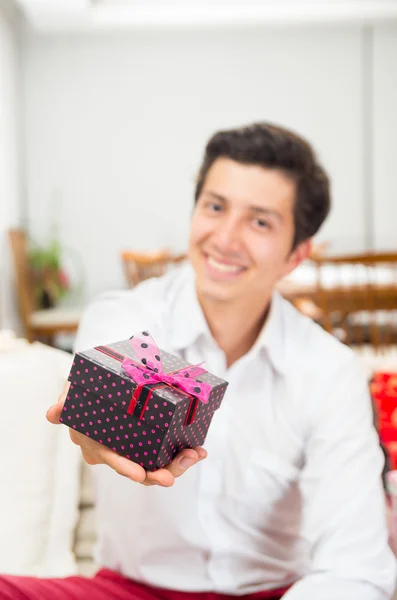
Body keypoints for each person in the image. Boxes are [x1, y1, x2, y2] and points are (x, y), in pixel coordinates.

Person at [1, 123, 395, 599]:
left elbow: (355, 566)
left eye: (260, 222)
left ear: (296, 255)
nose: (225, 238)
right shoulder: (126, 316)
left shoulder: (330, 371)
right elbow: (101, 368)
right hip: (129, 590)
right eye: (214, 207)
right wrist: (91, 423)